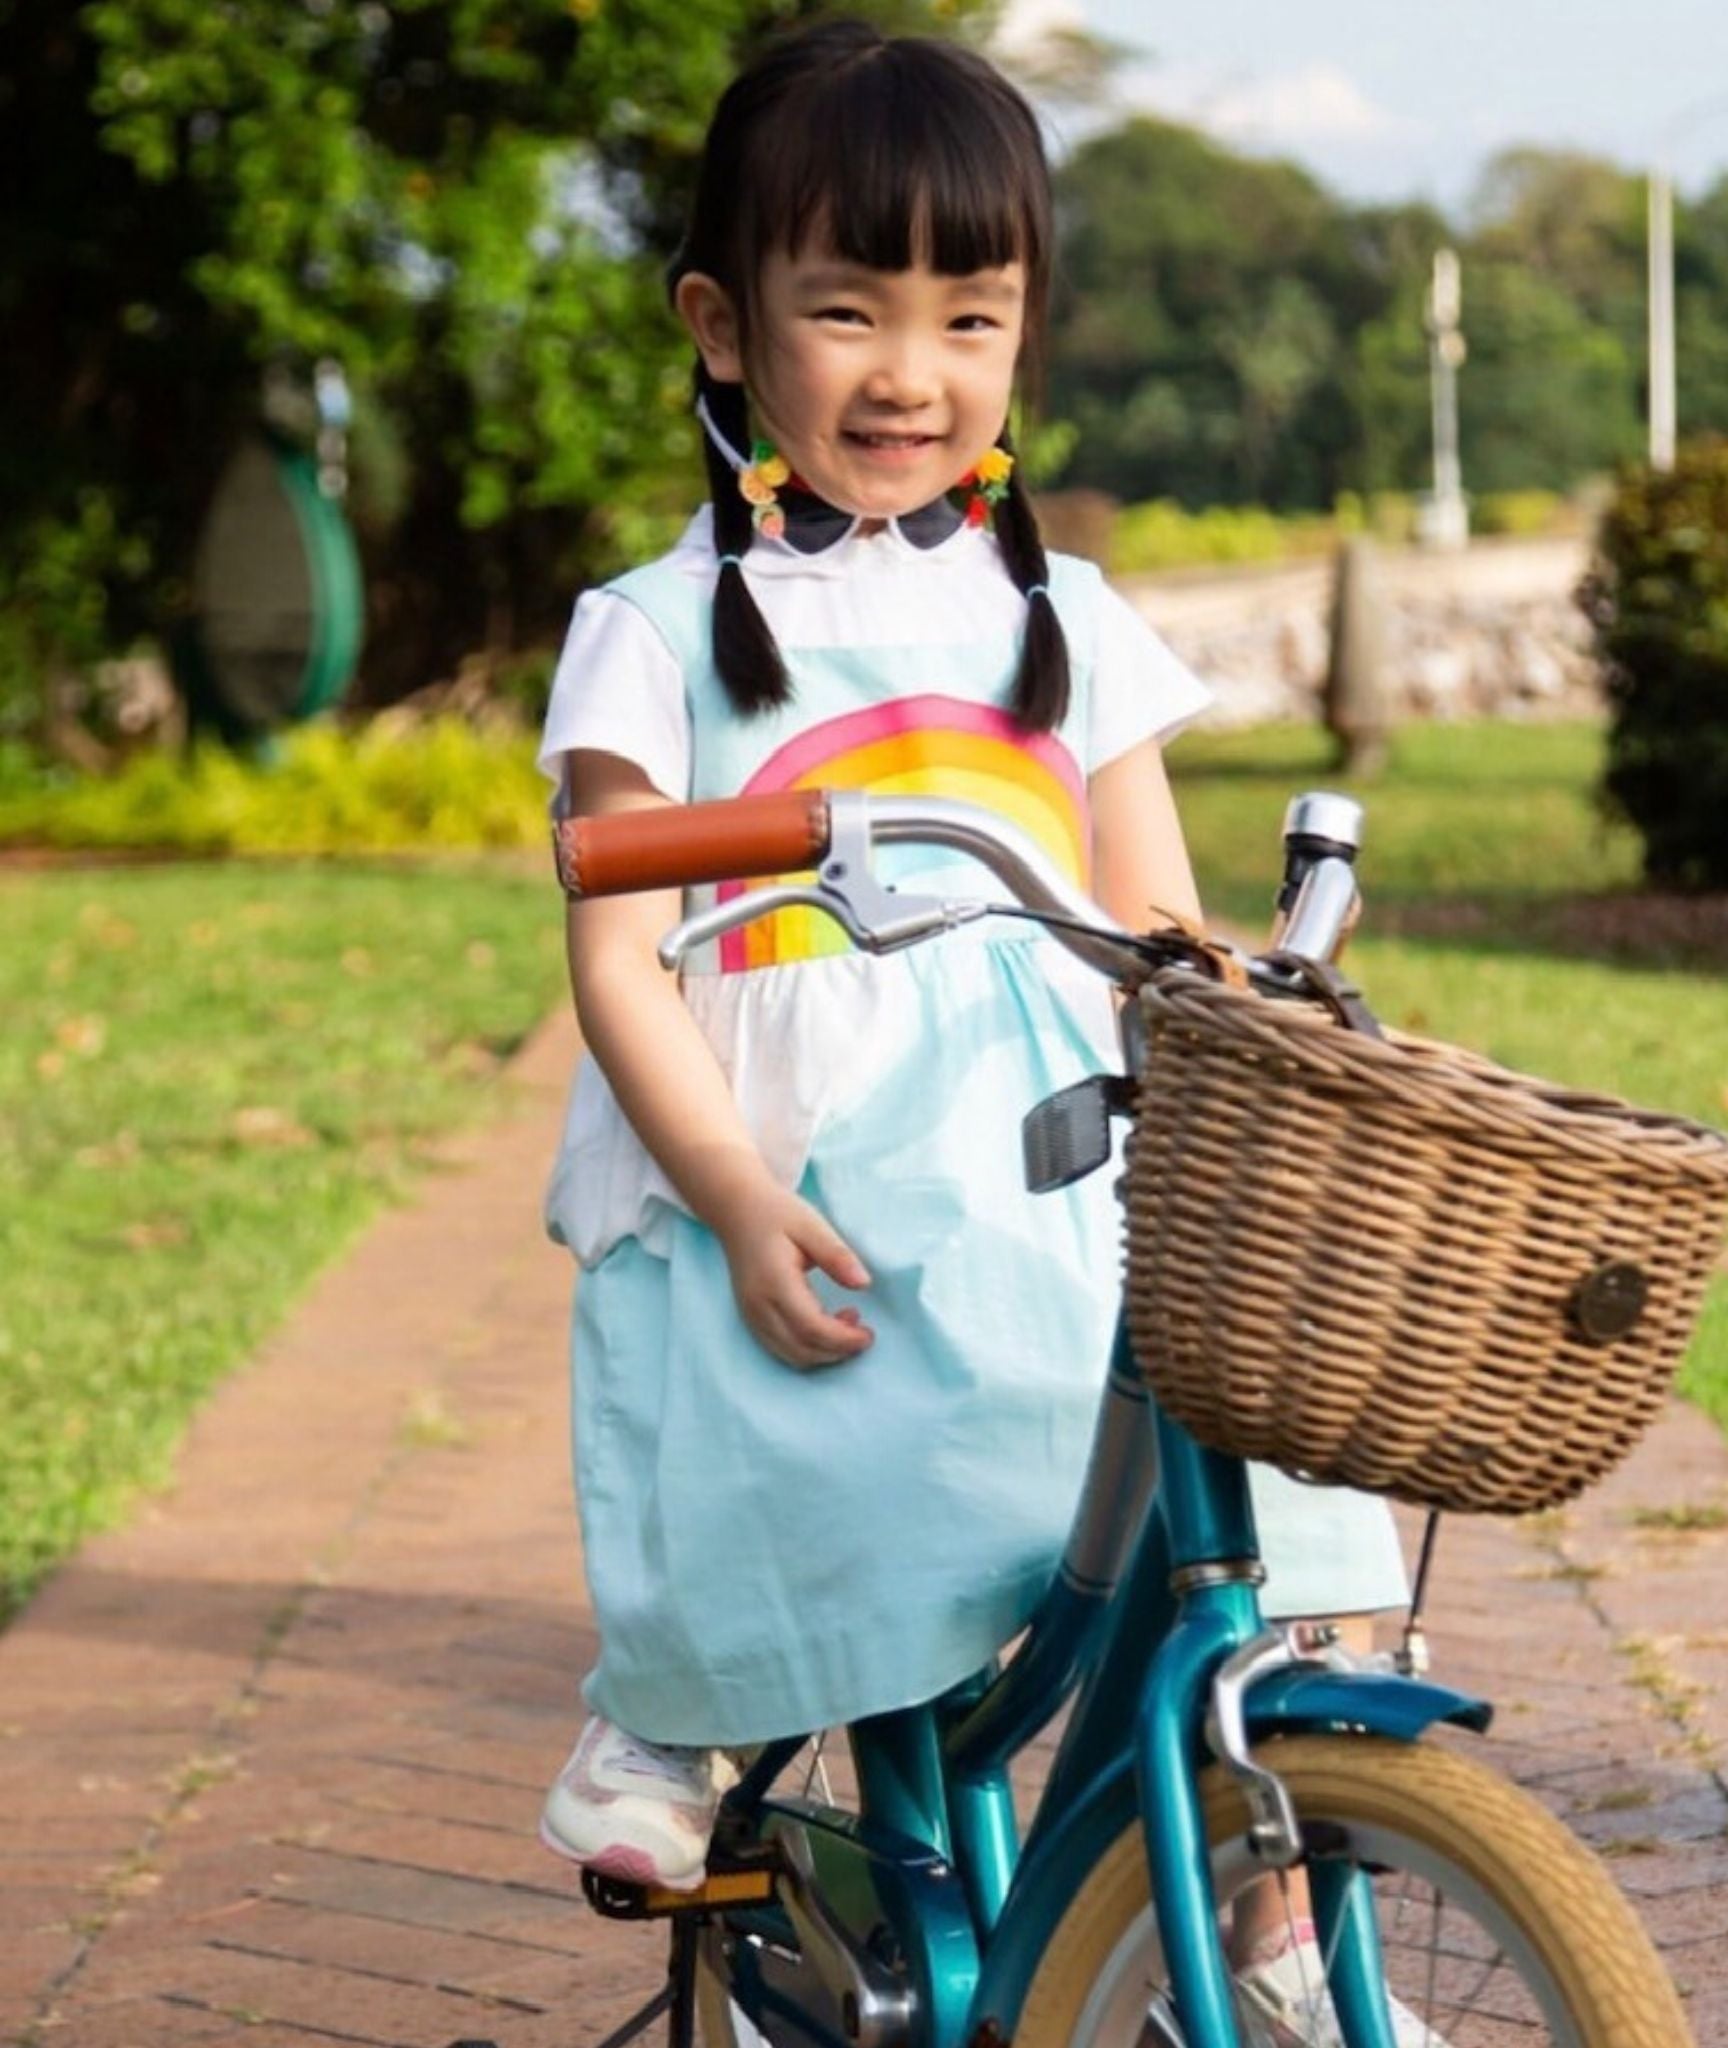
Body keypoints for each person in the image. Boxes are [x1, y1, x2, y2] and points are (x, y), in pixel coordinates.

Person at [533, 21, 1408, 1986]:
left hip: (1054, 1149)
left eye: (969, 316)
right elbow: (616, 959)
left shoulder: (1063, 621)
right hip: (818, 1149)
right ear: (727, 326)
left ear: (1022, 337)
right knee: (834, 1479)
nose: (911, 374)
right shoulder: (655, 634)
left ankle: (1273, 1905)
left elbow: (1158, 919)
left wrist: (1249, 1029)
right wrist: (739, 1196)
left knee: (1239, 1503)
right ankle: (677, 1701)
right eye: (845, 310)